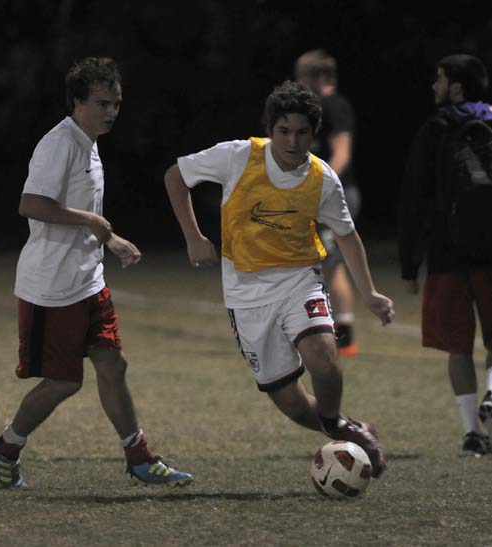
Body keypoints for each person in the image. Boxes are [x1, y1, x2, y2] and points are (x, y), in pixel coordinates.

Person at [164, 80, 394, 478]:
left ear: (313, 134)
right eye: (283, 130)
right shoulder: (237, 157)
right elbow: (175, 176)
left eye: (301, 132)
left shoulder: (323, 179)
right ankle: (348, 430)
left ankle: (338, 425)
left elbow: (347, 236)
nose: (291, 140)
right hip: (246, 293)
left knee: (323, 358)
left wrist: (369, 292)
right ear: (270, 128)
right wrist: (194, 236)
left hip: (298, 280)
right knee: (289, 401)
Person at [0, 57, 192, 488]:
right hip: (51, 288)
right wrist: (93, 224)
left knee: (113, 364)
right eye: (102, 103)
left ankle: (139, 457)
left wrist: (107, 239)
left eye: (116, 103)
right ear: (78, 102)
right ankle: (7, 445)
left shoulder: (90, 143)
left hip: (88, 281)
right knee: (63, 382)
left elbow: (81, 213)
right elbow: (32, 205)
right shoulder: (59, 144)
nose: (112, 111)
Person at [399, 54, 492, 457]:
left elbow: (413, 199)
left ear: (456, 87)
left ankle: (472, 431)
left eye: (439, 80)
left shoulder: (434, 132)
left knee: (458, 346)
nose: (433, 87)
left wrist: (409, 261)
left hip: (447, 255)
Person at [294, 49, 361, 357]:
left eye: (303, 76)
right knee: (319, 261)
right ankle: (319, 326)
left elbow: (342, 152)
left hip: (335, 194)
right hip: (318, 194)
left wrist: (322, 186)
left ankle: (345, 336)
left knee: (331, 263)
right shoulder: (315, 107)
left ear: (320, 77)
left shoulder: (335, 105)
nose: (299, 83)